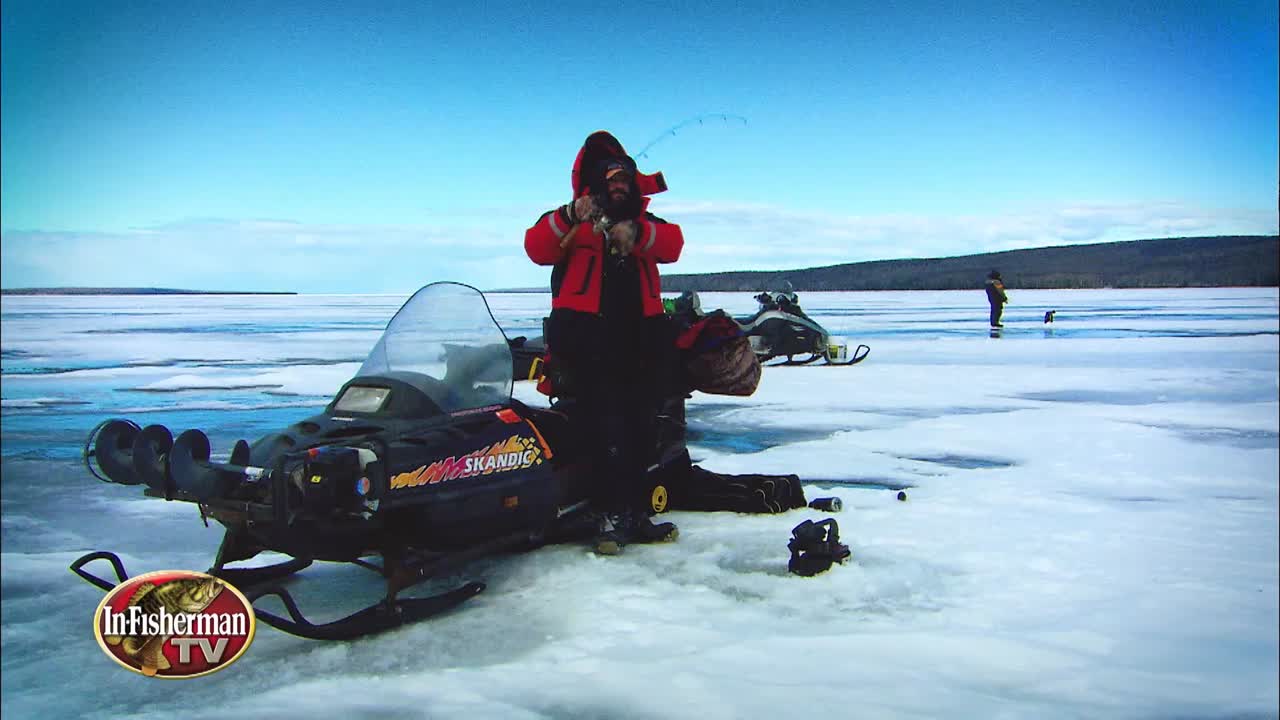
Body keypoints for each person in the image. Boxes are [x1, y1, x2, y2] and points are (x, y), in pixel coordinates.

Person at [524, 131, 684, 555]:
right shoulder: (569, 223)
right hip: (587, 346)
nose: (618, 186)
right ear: (594, 184)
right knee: (603, 432)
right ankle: (607, 516)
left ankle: (635, 514)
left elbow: (674, 245)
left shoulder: (648, 226)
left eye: (624, 180)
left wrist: (636, 234)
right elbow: (536, 246)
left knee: (641, 430)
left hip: (641, 345)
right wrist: (570, 215)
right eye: (610, 179)